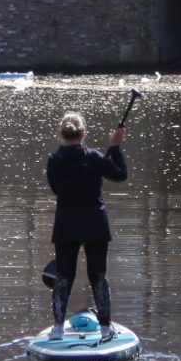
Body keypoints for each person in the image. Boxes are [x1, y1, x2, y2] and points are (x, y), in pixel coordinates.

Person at [45, 109, 129, 339]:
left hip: (66, 225)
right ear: (83, 133)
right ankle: (105, 328)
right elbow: (120, 174)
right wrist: (115, 147)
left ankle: (58, 328)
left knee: (63, 278)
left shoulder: (53, 161)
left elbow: (56, 190)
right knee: (98, 277)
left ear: (62, 134)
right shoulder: (93, 158)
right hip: (94, 224)